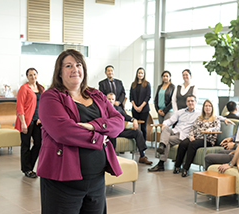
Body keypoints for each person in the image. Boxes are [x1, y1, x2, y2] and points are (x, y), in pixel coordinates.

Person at [36, 49, 124, 214]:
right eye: (68, 66)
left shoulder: (96, 95)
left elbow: (118, 122)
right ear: (60, 73)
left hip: (96, 180)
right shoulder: (51, 97)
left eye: (78, 65)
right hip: (62, 182)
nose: (75, 69)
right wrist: (99, 138)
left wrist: (93, 126)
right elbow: (63, 131)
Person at [148, 95, 200, 172]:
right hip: (174, 131)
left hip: (182, 135)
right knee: (165, 128)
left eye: (192, 101)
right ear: (186, 103)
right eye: (188, 101)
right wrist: (164, 124)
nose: (190, 103)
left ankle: (161, 163)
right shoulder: (180, 112)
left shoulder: (199, 114)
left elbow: (214, 116)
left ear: (195, 102)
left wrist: (224, 118)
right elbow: (170, 121)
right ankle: (162, 146)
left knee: (167, 141)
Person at [174, 99, 220, 177]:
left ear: (212, 108)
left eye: (209, 106)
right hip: (196, 138)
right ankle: (177, 165)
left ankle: (186, 168)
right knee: (183, 143)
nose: (207, 108)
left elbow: (218, 128)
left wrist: (210, 129)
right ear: (203, 107)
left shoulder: (215, 119)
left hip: (207, 140)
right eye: (206, 106)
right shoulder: (199, 118)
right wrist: (191, 136)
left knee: (192, 144)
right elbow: (192, 128)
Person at [107, 93, 152, 165]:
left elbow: (126, 116)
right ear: (106, 99)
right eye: (109, 99)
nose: (110, 101)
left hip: (120, 130)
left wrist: (134, 120)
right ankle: (112, 159)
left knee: (138, 132)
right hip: (110, 131)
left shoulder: (118, 108)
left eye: (112, 99)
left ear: (115, 100)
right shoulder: (103, 109)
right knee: (112, 135)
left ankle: (142, 156)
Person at [15, 68, 44, 179]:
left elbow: (43, 104)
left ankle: (30, 166)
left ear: (37, 75)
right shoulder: (24, 88)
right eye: (30, 75)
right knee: (25, 145)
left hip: (37, 121)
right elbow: (20, 106)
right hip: (26, 121)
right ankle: (27, 169)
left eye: (34, 74)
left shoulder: (41, 88)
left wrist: (41, 117)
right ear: (27, 76)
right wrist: (23, 123)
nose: (33, 77)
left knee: (39, 143)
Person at [129, 67, 151, 140]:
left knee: (143, 127)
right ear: (137, 74)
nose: (140, 74)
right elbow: (131, 97)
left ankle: (143, 144)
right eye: (139, 73)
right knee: (136, 126)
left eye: (142, 73)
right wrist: (135, 106)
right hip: (135, 109)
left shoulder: (147, 84)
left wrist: (141, 107)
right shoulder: (133, 84)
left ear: (144, 74)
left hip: (144, 109)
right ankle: (136, 143)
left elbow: (148, 97)